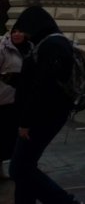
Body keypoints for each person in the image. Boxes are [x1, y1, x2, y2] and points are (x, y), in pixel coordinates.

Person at [8, 5, 82, 203]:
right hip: (45, 114)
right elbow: (33, 80)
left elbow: (44, 87)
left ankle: (64, 201)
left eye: (24, 28)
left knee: (19, 168)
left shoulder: (53, 45)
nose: (23, 32)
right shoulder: (45, 44)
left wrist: (26, 121)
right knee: (26, 166)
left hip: (44, 117)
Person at [0, 28, 26, 179]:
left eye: (20, 31)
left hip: (17, 101)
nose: (17, 34)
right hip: (2, 99)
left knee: (8, 137)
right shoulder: (3, 48)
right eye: (14, 31)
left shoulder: (30, 49)